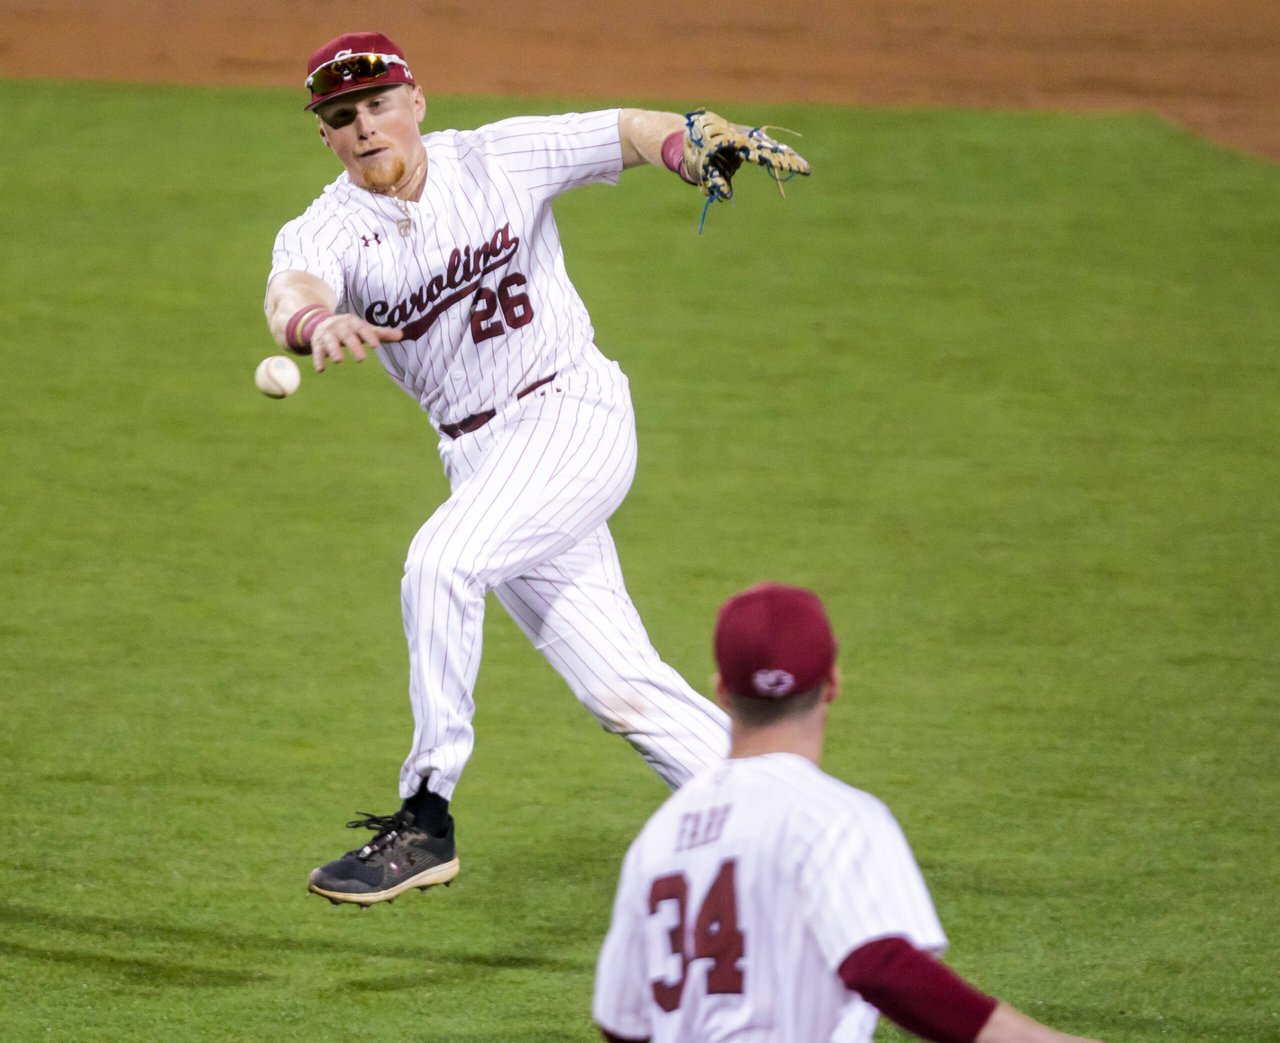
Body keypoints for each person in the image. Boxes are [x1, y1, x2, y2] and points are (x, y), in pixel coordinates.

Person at [264, 32, 805, 906]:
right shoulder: (326, 226)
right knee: (621, 687)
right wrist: (314, 324)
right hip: (482, 460)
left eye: (375, 106)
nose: (363, 129)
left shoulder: (497, 158)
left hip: (572, 413)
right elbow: (295, 288)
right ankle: (796, 824)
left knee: (442, 561)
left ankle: (427, 811)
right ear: (323, 134)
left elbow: (628, 129)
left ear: (415, 104)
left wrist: (683, 144)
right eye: (340, 118)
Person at [593, 582, 1105, 1043]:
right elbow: (882, 968)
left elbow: (622, 1025)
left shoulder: (658, 841)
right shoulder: (835, 817)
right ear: (834, 682)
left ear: (723, 691)